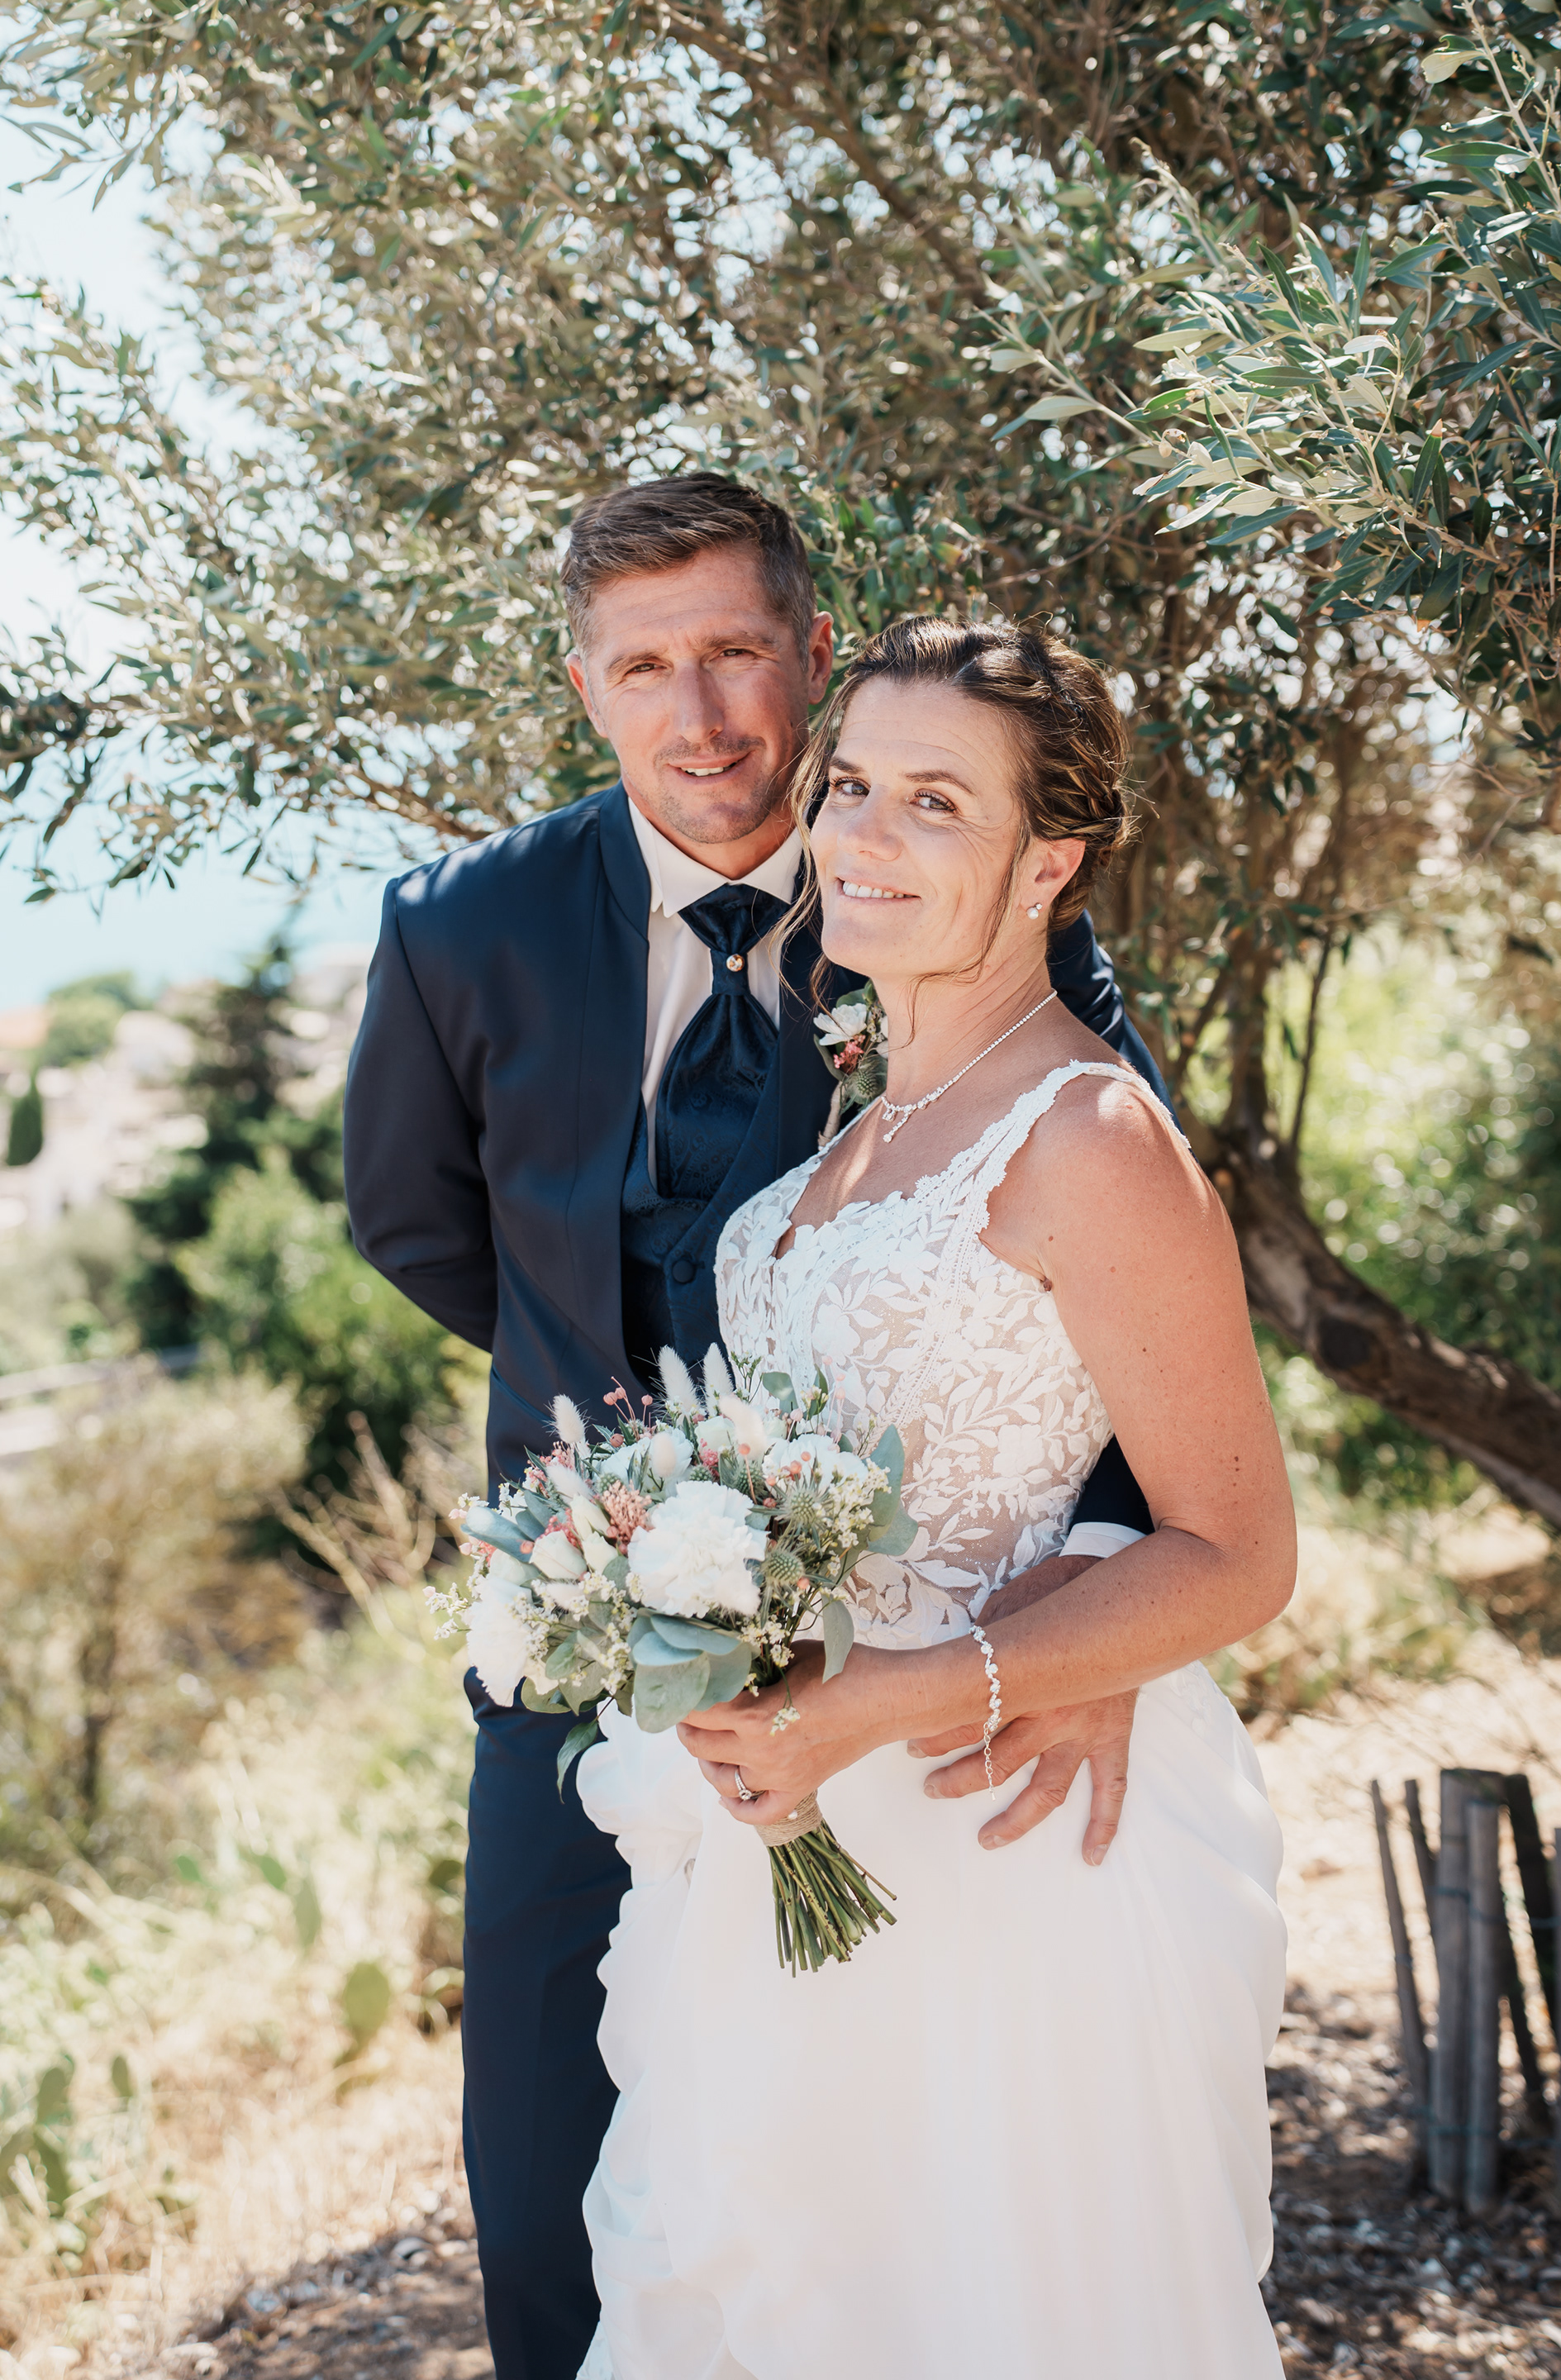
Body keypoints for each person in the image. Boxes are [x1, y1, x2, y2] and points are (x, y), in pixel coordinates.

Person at [342, 478, 1169, 2380]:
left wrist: (1103, 1589)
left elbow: (1123, 1247)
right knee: (550, 2175)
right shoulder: (460, 929)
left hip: (906, 1656)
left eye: (735, 652)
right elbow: (413, 1221)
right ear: (585, 688)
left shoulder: (948, 886)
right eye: (645, 668)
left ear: (814, 651)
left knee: (869, 2180)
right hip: (577, 1651)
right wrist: (631, 1470)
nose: (701, 716)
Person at [573, 616, 1295, 2380]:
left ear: (1049, 862)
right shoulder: (850, 1139)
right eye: (851, 786)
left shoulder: (1089, 1136)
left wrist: (894, 1699)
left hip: (1002, 1849)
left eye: (938, 803)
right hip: (795, 1846)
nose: (864, 836)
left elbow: (1240, 1550)